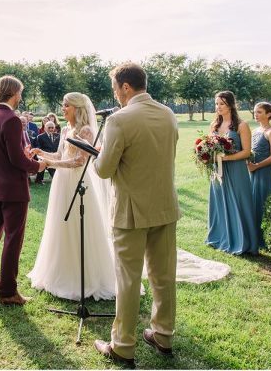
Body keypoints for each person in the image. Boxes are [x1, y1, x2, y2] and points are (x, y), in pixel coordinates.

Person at [92, 62, 181, 367]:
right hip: (165, 206)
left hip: (130, 211)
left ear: (126, 87)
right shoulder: (168, 114)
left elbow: (104, 170)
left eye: (115, 89)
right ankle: (163, 334)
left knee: (128, 279)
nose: (115, 95)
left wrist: (99, 155)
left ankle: (123, 345)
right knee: (164, 276)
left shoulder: (119, 120)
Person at [28, 93, 115, 300]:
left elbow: (79, 161)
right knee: (60, 225)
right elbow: (61, 156)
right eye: (63, 105)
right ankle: (60, 271)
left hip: (78, 182)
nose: (63, 108)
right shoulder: (66, 129)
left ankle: (83, 277)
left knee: (78, 226)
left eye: (67, 105)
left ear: (77, 108)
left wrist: (50, 164)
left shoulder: (86, 130)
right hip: (62, 183)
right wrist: (42, 153)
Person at [0, 75, 46, 306]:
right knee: (13, 238)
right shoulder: (12, 119)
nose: (20, 97)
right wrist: (38, 166)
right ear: (13, 93)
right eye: (20, 93)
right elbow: (16, 159)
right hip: (13, 189)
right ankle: (8, 292)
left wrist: (17, 154)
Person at [205, 91, 259, 255]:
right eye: (216, 103)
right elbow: (209, 145)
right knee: (220, 201)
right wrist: (206, 155)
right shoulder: (214, 125)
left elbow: (246, 152)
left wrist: (226, 158)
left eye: (222, 103)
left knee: (239, 202)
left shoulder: (241, 125)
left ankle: (242, 240)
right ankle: (221, 236)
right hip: (218, 170)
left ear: (230, 105)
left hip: (236, 169)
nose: (218, 107)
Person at [247, 102, 271, 247]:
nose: (256, 114)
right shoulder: (255, 131)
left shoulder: (270, 132)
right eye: (255, 112)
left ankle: (268, 238)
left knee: (265, 202)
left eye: (259, 112)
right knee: (254, 202)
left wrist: (257, 166)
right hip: (253, 172)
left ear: (269, 114)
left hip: (266, 172)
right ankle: (256, 236)